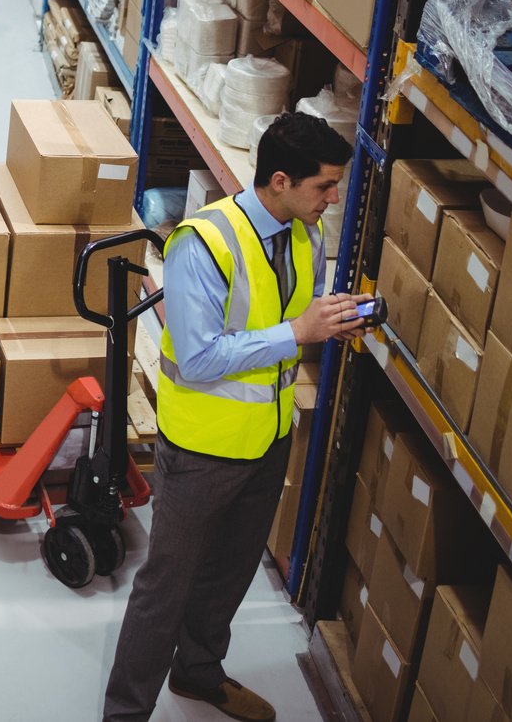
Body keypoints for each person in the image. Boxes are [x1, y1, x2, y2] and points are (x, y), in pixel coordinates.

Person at [102, 113, 372, 722]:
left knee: (228, 574)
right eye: (324, 187)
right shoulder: (203, 243)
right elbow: (197, 358)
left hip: (269, 437)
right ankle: (124, 713)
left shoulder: (306, 232)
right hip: (202, 449)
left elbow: (292, 310)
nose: (332, 200)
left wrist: (332, 317)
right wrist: (297, 333)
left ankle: (198, 672)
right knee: (164, 589)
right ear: (280, 180)